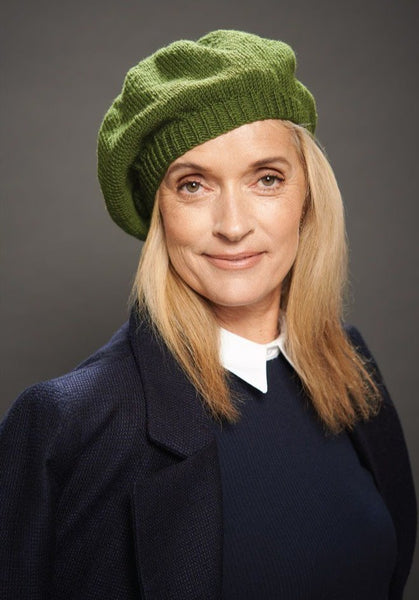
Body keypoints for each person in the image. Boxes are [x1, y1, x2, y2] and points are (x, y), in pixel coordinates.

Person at [0, 29, 416, 600]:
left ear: (307, 197)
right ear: (159, 215)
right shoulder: (67, 424)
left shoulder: (349, 364)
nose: (234, 225)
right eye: (193, 185)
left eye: (266, 179)